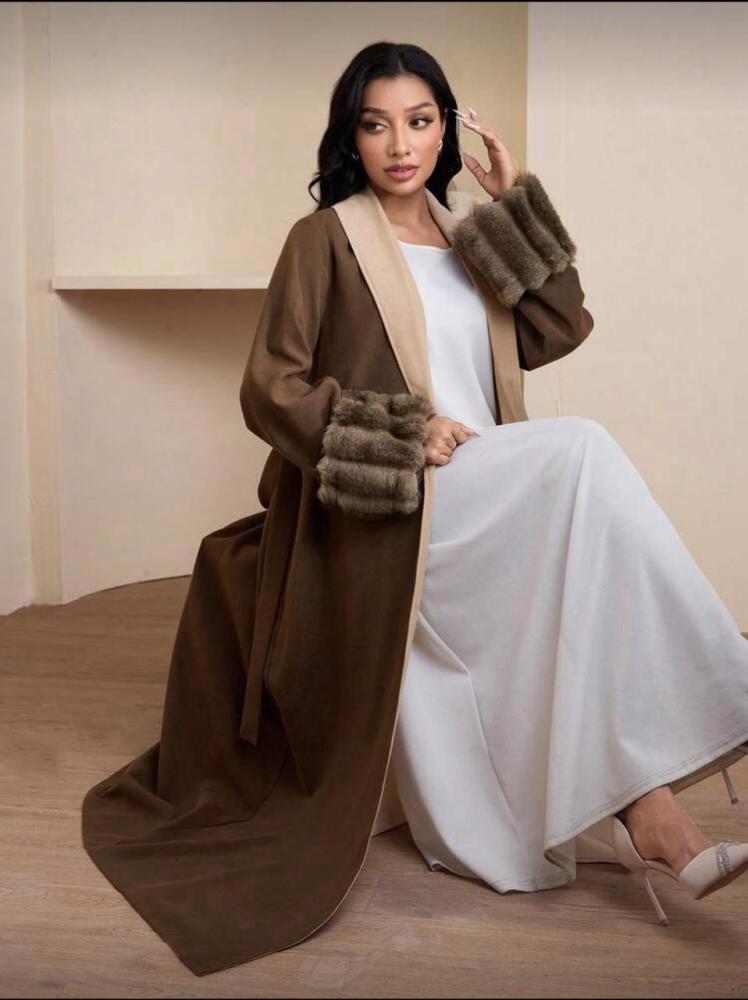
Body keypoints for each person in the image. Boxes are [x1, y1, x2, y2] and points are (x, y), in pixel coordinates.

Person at [81, 41, 748, 977]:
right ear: (351, 136)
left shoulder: (469, 232)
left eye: (421, 121)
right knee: (584, 452)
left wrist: (514, 207)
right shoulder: (323, 238)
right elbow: (269, 389)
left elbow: (559, 329)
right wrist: (402, 433)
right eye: (377, 124)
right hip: (399, 502)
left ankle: (656, 821)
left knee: (582, 522)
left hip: (493, 487)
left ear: (448, 131)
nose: (401, 145)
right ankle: (717, 706)